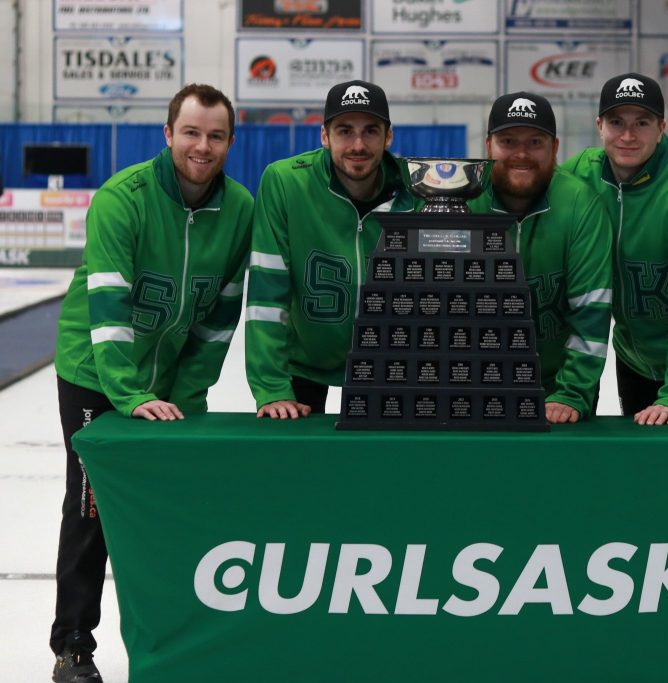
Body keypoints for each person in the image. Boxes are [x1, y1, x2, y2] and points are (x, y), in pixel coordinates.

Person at [51, 83, 253, 682]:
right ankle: (72, 647)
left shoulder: (240, 208)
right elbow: (109, 307)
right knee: (93, 509)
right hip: (95, 373)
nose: (202, 145)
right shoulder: (124, 197)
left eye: (215, 135)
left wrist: (185, 396)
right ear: (168, 135)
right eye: (191, 132)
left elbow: (221, 316)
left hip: (169, 384)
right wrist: (132, 395)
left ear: (230, 143)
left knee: (169, 507)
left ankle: (177, 642)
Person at [563, 72, 668, 426]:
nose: (628, 135)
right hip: (633, 359)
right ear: (599, 125)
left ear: (662, 127)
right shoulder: (580, 174)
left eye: (642, 123)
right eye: (617, 122)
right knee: (642, 470)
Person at [244, 80, 416, 418]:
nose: (357, 144)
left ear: (388, 136)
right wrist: (271, 387)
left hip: (390, 362)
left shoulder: (417, 189)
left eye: (370, 131)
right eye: (344, 131)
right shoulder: (285, 182)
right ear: (324, 136)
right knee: (299, 467)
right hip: (303, 362)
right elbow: (267, 293)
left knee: (386, 465)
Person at [467, 91, 613, 423]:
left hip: (558, 387)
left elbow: (592, 311)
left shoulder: (580, 204)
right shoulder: (465, 200)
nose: (522, 154)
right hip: (473, 383)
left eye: (535, 142)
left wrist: (571, 392)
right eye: (508, 141)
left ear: (555, 148)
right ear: (488, 145)